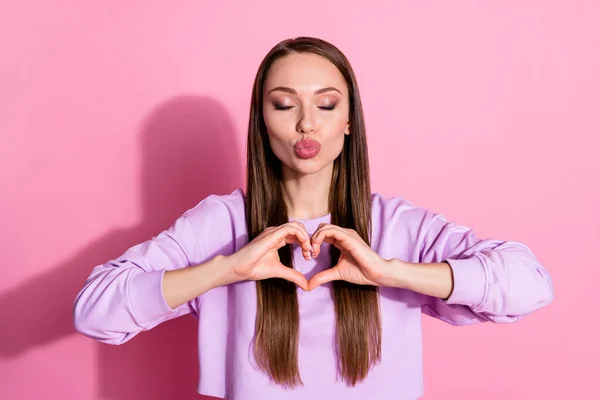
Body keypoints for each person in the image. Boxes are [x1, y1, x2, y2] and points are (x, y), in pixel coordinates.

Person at [73, 37, 554, 400]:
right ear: (263, 120)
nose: (306, 123)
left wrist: (389, 272)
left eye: (326, 104)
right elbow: (94, 312)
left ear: (349, 120)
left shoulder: (399, 227)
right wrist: (227, 270)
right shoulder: (220, 225)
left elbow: (530, 285)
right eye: (284, 105)